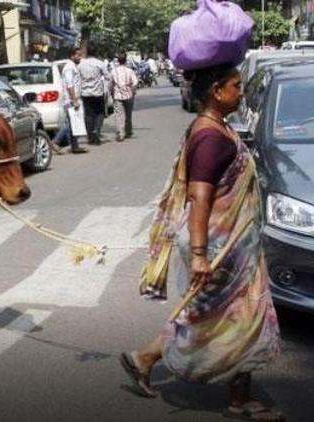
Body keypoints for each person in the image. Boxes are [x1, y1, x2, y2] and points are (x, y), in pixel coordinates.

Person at [121, 63, 283, 421]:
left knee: (217, 316)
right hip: (215, 247)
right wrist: (198, 254)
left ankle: (147, 360)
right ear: (216, 91)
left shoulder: (217, 127)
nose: (242, 92)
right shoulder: (209, 137)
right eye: (237, 86)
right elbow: (200, 198)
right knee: (234, 317)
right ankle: (234, 397)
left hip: (230, 246)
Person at [52, 48, 88, 154]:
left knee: (75, 123)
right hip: (71, 100)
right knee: (72, 123)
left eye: (80, 55)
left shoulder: (72, 67)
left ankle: (75, 146)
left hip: (73, 98)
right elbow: (69, 85)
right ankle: (56, 141)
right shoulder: (69, 68)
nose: (80, 58)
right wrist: (75, 100)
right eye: (78, 55)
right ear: (72, 56)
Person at [77, 44, 110, 145]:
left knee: (88, 115)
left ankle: (90, 135)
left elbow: (77, 78)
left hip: (85, 94)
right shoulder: (100, 64)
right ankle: (96, 130)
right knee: (100, 113)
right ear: (96, 53)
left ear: (87, 52)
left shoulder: (81, 65)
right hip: (97, 93)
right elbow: (108, 77)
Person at [109, 54, 138, 142]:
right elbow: (135, 82)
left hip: (117, 96)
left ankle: (120, 133)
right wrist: (132, 91)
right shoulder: (130, 71)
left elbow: (110, 84)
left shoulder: (113, 71)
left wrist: (112, 93)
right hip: (128, 95)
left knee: (118, 115)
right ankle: (128, 131)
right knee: (128, 115)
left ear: (118, 61)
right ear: (125, 61)